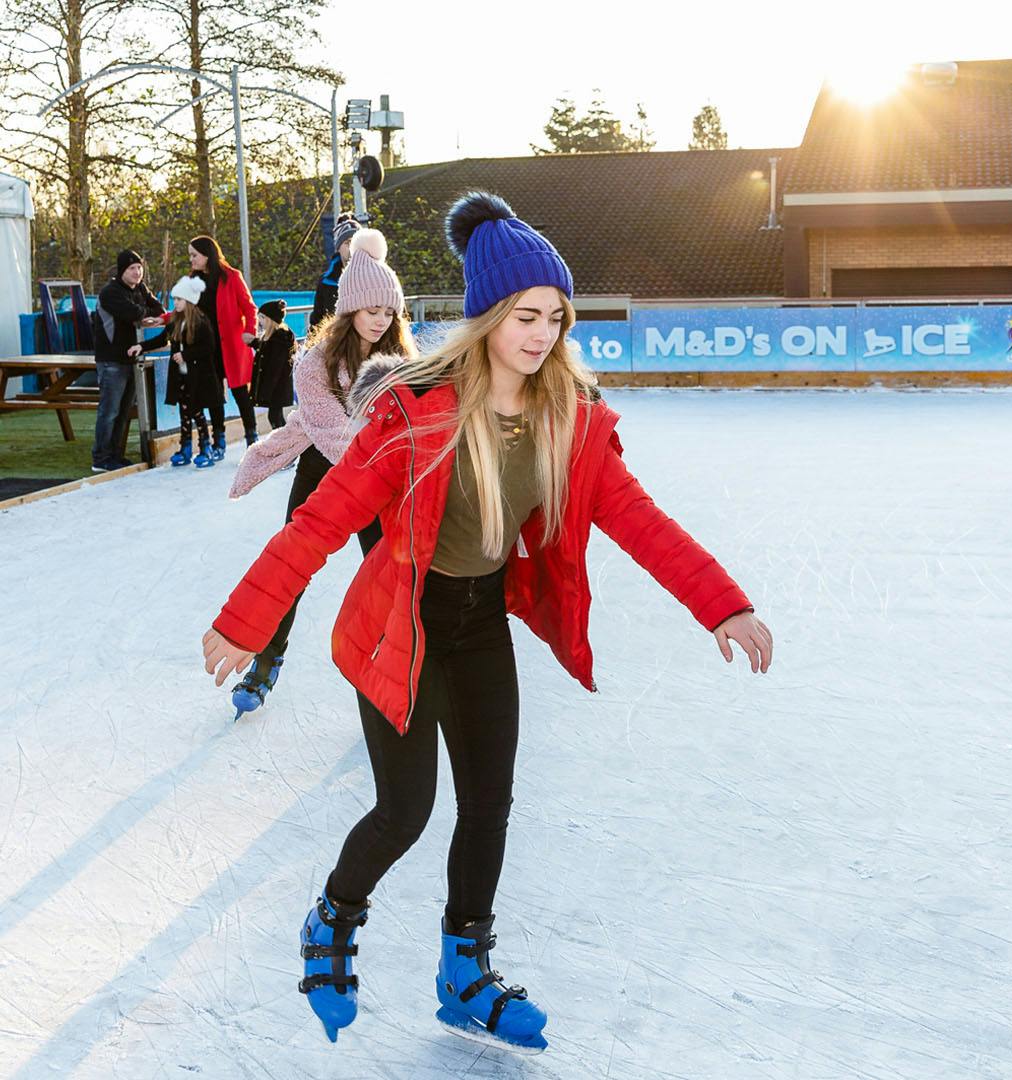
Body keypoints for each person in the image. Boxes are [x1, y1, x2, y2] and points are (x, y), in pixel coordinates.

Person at [202, 193, 773, 1049]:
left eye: (555, 316)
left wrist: (722, 602)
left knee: (489, 803)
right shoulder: (412, 410)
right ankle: (332, 917)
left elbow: (641, 521)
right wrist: (248, 621)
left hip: (477, 624)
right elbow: (319, 522)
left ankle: (464, 971)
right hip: (401, 620)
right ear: (485, 317)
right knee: (406, 810)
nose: (541, 333)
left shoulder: (569, 420)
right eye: (523, 315)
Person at [225, 229, 415, 718]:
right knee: (292, 564)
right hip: (323, 469)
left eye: (390, 311)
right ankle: (267, 659)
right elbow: (332, 434)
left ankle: (388, 664)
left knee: (389, 570)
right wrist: (388, 458)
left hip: (378, 478)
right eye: (373, 310)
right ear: (351, 308)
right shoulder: (314, 363)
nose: (382, 320)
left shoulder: (401, 361)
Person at [91, 249, 166, 471]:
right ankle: (101, 457)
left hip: (133, 357)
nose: (137, 272)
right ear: (122, 270)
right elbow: (132, 313)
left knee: (123, 411)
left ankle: (116, 454)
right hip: (112, 360)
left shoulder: (141, 289)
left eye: (139, 268)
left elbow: (159, 309)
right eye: (132, 268)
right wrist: (145, 315)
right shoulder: (110, 292)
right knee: (110, 410)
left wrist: (148, 315)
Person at [139, 274, 222, 469]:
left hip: (198, 377)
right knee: (185, 412)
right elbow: (161, 340)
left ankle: (205, 447)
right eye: (174, 299)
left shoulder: (201, 322)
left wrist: (186, 355)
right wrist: (140, 346)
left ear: (189, 301)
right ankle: (185, 447)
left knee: (197, 412)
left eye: (179, 299)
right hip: (181, 377)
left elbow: (209, 347)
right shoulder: (175, 321)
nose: (175, 303)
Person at [187, 235, 259, 456]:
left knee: (240, 394)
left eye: (194, 255)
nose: (191, 260)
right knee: (214, 394)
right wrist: (162, 319)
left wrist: (250, 332)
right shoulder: (192, 282)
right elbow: (183, 312)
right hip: (207, 347)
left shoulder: (232, 277)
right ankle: (219, 440)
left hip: (232, 346)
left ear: (207, 255)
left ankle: (251, 437)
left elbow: (249, 308)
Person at [247, 299, 297, 431]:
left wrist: (266, 393)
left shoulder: (279, 339)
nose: (260, 322)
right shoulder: (273, 338)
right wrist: (253, 342)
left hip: (277, 389)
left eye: (262, 318)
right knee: (276, 417)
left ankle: (284, 446)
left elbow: (275, 367)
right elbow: (266, 349)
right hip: (276, 389)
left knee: (275, 418)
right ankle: (284, 445)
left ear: (270, 319)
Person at [310, 214, 360, 331]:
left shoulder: (376, 276)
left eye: (356, 242)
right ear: (338, 247)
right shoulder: (326, 282)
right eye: (347, 243)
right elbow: (317, 322)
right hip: (336, 344)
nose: (353, 248)